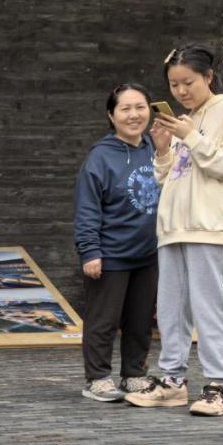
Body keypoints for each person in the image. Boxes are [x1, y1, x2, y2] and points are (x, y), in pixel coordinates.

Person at [124, 43, 223, 416]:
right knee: (170, 310)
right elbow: (168, 177)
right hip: (173, 227)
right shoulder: (185, 119)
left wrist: (191, 136)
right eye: (174, 84)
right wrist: (163, 148)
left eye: (188, 82)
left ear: (208, 77)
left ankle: (219, 386)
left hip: (210, 226)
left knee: (211, 307)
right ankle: (172, 381)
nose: (181, 91)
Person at [73, 83, 160, 402]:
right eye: (125, 109)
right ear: (112, 115)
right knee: (103, 321)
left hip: (148, 253)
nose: (134, 115)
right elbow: (86, 208)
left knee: (140, 320)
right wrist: (90, 251)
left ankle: (134, 374)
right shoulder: (100, 156)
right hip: (110, 254)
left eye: (140, 107)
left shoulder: (157, 147)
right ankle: (97, 378)